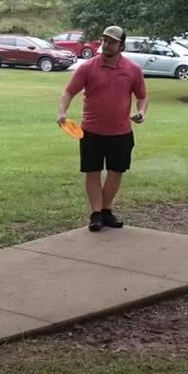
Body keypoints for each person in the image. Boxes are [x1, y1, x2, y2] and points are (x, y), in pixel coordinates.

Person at [57, 25, 148, 232]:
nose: (107, 45)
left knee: (116, 172)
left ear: (121, 45)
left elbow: (142, 96)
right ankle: (96, 213)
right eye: (105, 40)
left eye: (112, 42)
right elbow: (68, 92)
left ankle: (106, 210)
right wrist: (61, 112)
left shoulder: (133, 70)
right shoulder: (88, 67)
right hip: (91, 131)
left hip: (121, 132)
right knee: (93, 172)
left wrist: (141, 112)